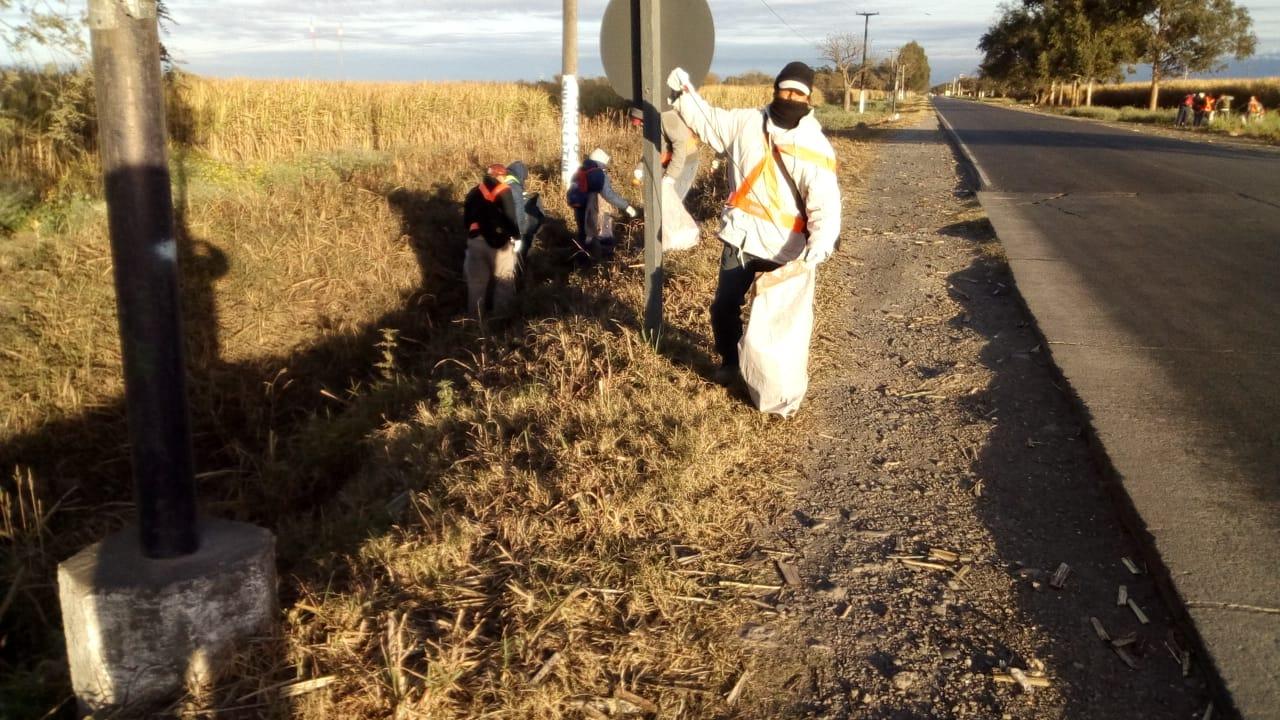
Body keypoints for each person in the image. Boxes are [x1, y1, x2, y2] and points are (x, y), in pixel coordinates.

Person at [666, 61, 841, 384]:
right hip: (742, 238)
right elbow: (708, 121)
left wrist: (819, 245)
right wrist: (683, 91)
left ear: (808, 99)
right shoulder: (746, 122)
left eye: (797, 93)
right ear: (775, 90)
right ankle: (731, 362)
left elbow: (825, 204)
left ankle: (770, 378)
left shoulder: (814, 145)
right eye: (785, 89)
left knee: (776, 317)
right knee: (724, 307)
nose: (789, 96)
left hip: (787, 246)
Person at [462, 164, 520, 318]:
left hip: (475, 243)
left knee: (476, 285)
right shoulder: (503, 190)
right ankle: (502, 319)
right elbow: (510, 217)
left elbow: (466, 221)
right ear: (499, 176)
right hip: (500, 245)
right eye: (503, 176)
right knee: (504, 281)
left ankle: (475, 323)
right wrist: (517, 237)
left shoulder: (473, 192)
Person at [566, 148, 637, 264]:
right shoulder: (598, 173)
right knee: (600, 237)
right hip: (594, 211)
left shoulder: (580, 170)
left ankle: (581, 263)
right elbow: (608, 195)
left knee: (584, 235)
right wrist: (626, 206)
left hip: (579, 208)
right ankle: (599, 264)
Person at [499, 161, 544, 265]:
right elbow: (518, 210)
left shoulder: (505, 179)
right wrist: (520, 232)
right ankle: (521, 270)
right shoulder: (515, 186)